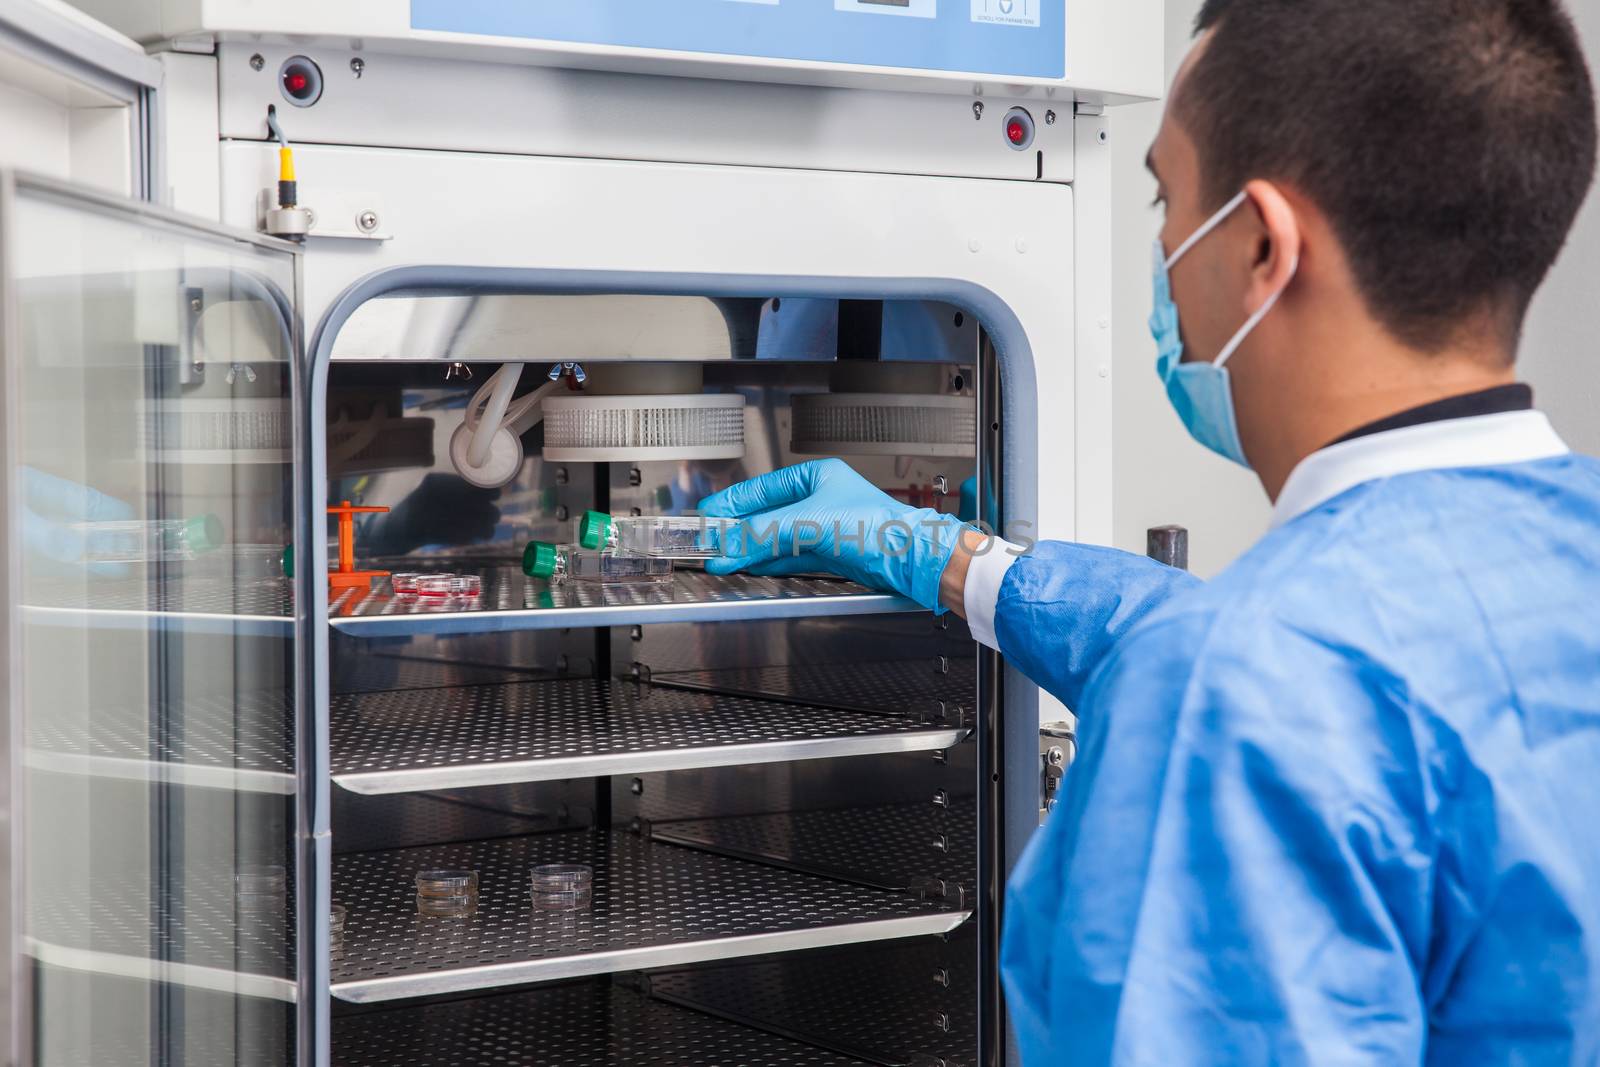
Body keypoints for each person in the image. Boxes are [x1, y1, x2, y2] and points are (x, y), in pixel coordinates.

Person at [698, 0, 1600, 1061]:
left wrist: (1197, 669)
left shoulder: (1236, 692)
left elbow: (1262, 672)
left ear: (1262, 242)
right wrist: (952, 558)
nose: (1166, 250)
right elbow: (1320, 659)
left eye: (1169, 199)